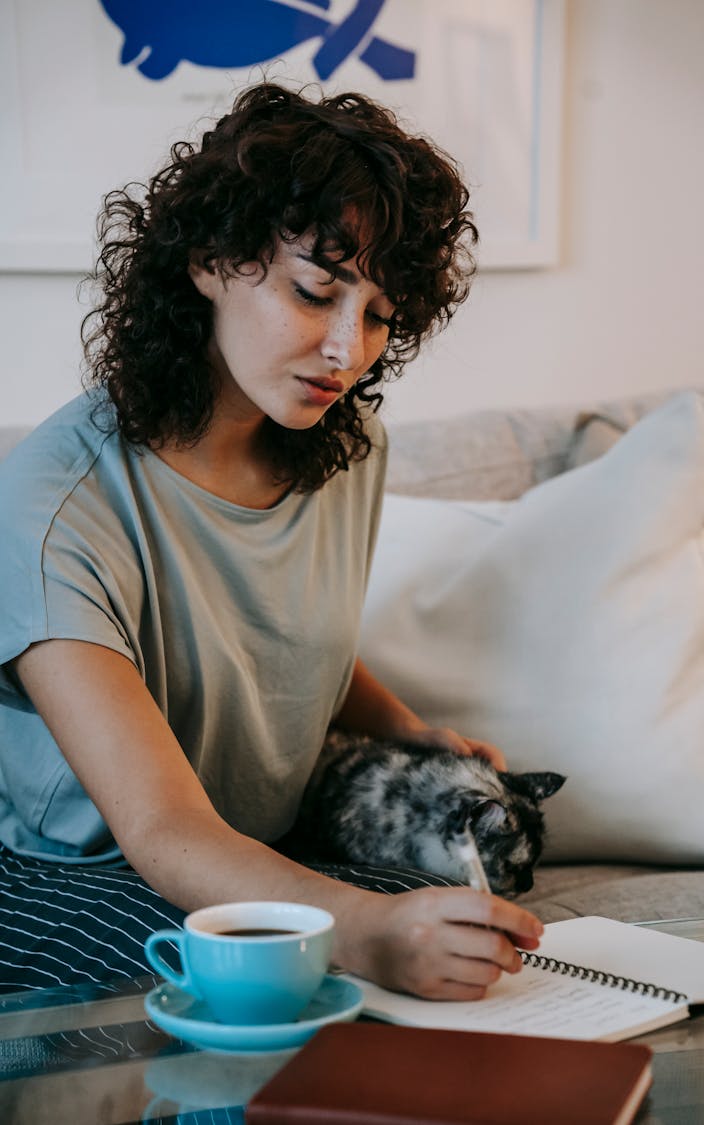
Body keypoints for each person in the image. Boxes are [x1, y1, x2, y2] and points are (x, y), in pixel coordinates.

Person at [0, 82, 543, 997]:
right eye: (316, 291)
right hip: (78, 877)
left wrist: (410, 731)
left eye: (377, 315)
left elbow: (281, 633)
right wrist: (364, 930)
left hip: (257, 847)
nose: (348, 350)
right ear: (211, 260)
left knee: (468, 941)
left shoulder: (348, 449)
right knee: (310, 979)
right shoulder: (54, 501)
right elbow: (165, 828)